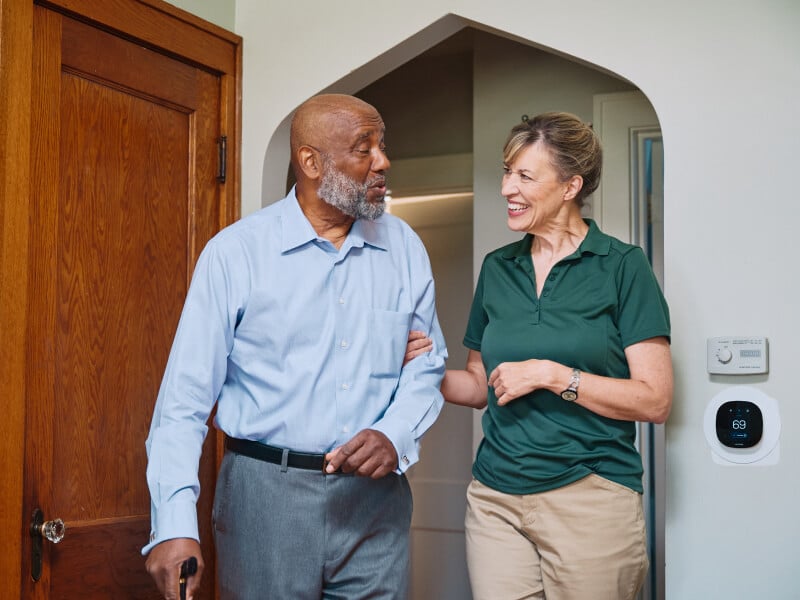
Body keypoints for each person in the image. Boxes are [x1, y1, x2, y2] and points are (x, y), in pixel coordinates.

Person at [143, 93, 447, 600]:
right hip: (265, 499)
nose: (383, 162)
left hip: (377, 506)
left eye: (382, 145)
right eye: (363, 148)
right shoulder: (235, 254)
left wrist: (394, 433)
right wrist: (174, 521)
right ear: (310, 162)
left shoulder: (405, 247)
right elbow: (183, 402)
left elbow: (427, 362)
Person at [409, 111, 672, 600]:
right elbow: (479, 382)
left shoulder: (622, 267)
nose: (508, 187)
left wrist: (554, 375)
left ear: (571, 186)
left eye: (525, 176)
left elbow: (654, 400)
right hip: (495, 498)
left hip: (591, 496)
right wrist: (422, 372)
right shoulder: (498, 268)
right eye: (507, 172)